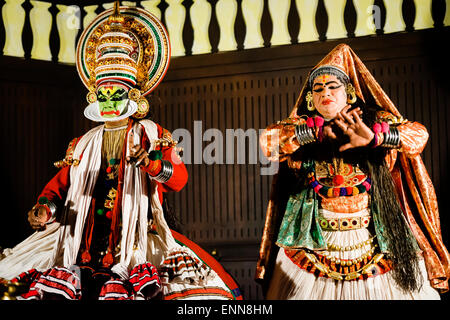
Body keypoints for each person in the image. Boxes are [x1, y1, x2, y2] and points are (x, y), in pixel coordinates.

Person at [0, 3, 242, 301]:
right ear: (93, 96)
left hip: (136, 240)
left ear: (134, 96)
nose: (109, 101)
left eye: (117, 93)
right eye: (103, 94)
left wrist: (151, 164)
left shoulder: (154, 136)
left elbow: (178, 179)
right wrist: (44, 209)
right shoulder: (83, 143)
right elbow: (58, 188)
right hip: (81, 242)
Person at [255, 43, 450, 299]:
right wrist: (314, 134)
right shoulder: (299, 129)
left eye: (333, 86)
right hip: (314, 243)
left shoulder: (376, 121)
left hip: (374, 239)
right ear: (311, 100)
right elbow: (267, 143)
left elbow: (419, 135)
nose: (325, 92)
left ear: (348, 91)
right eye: (318, 88)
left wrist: (376, 138)